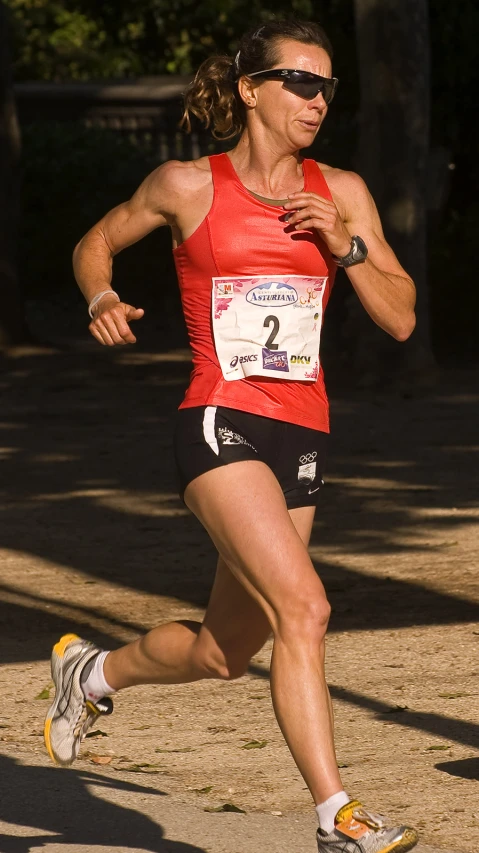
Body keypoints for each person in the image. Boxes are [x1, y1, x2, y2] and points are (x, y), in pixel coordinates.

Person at [44, 19, 418, 853]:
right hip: (218, 418)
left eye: (327, 86)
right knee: (306, 607)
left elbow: (399, 319)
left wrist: (345, 245)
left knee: (223, 651)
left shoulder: (342, 191)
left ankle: (90, 673)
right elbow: (94, 242)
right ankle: (336, 816)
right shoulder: (186, 185)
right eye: (299, 82)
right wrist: (100, 295)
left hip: (303, 435)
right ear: (251, 89)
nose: (317, 100)